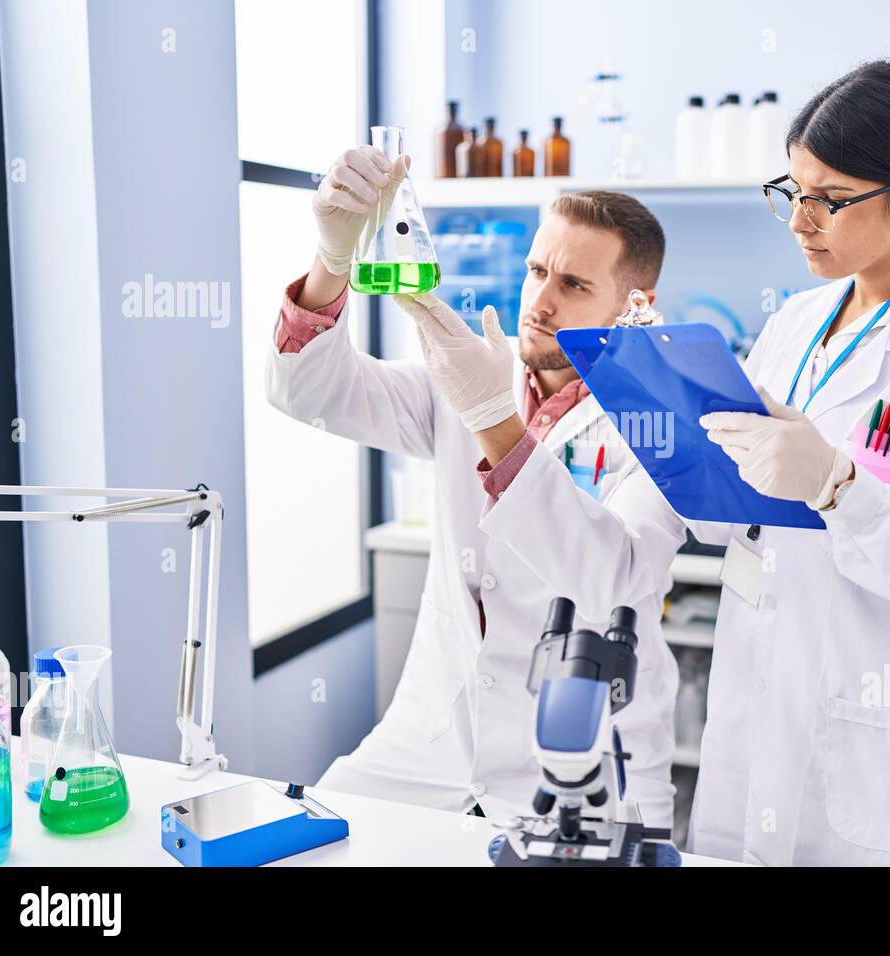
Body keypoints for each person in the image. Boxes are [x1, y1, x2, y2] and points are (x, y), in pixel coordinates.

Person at [411, 61, 890, 865]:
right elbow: (734, 520)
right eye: (792, 190)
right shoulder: (795, 324)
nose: (799, 219)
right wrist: (684, 447)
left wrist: (841, 487)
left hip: (889, 763)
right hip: (757, 729)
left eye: (830, 198)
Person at [264, 146, 679, 826]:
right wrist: (330, 261)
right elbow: (309, 392)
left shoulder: (659, 416)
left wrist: (493, 421)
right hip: (430, 746)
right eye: (537, 270)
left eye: (573, 285)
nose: (540, 303)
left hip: (585, 763)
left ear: (636, 305)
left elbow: (613, 573)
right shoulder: (469, 373)